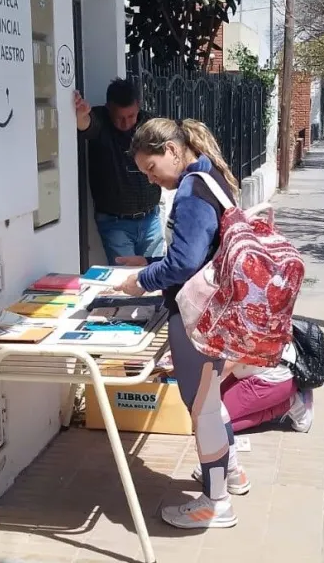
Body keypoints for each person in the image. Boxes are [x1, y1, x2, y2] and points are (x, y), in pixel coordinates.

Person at [113, 117, 243, 530]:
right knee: (211, 400)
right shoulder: (209, 176)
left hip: (199, 316)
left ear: (171, 151)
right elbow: (199, 252)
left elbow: (186, 263)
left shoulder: (191, 191)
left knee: (202, 408)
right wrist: (151, 262)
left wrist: (142, 280)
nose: (152, 180)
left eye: (151, 169)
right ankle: (232, 472)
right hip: (217, 310)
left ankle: (216, 502)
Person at [74, 80, 165, 265]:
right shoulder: (101, 121)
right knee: (125, 279)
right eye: (119, 117)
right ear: (109, 109)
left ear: (138, 106)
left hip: (151, 219)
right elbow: (86, 124)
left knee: (155, 276)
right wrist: (81, 115)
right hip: (115, 223)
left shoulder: (149, 125)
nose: (125, 123)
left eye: (131, 116)